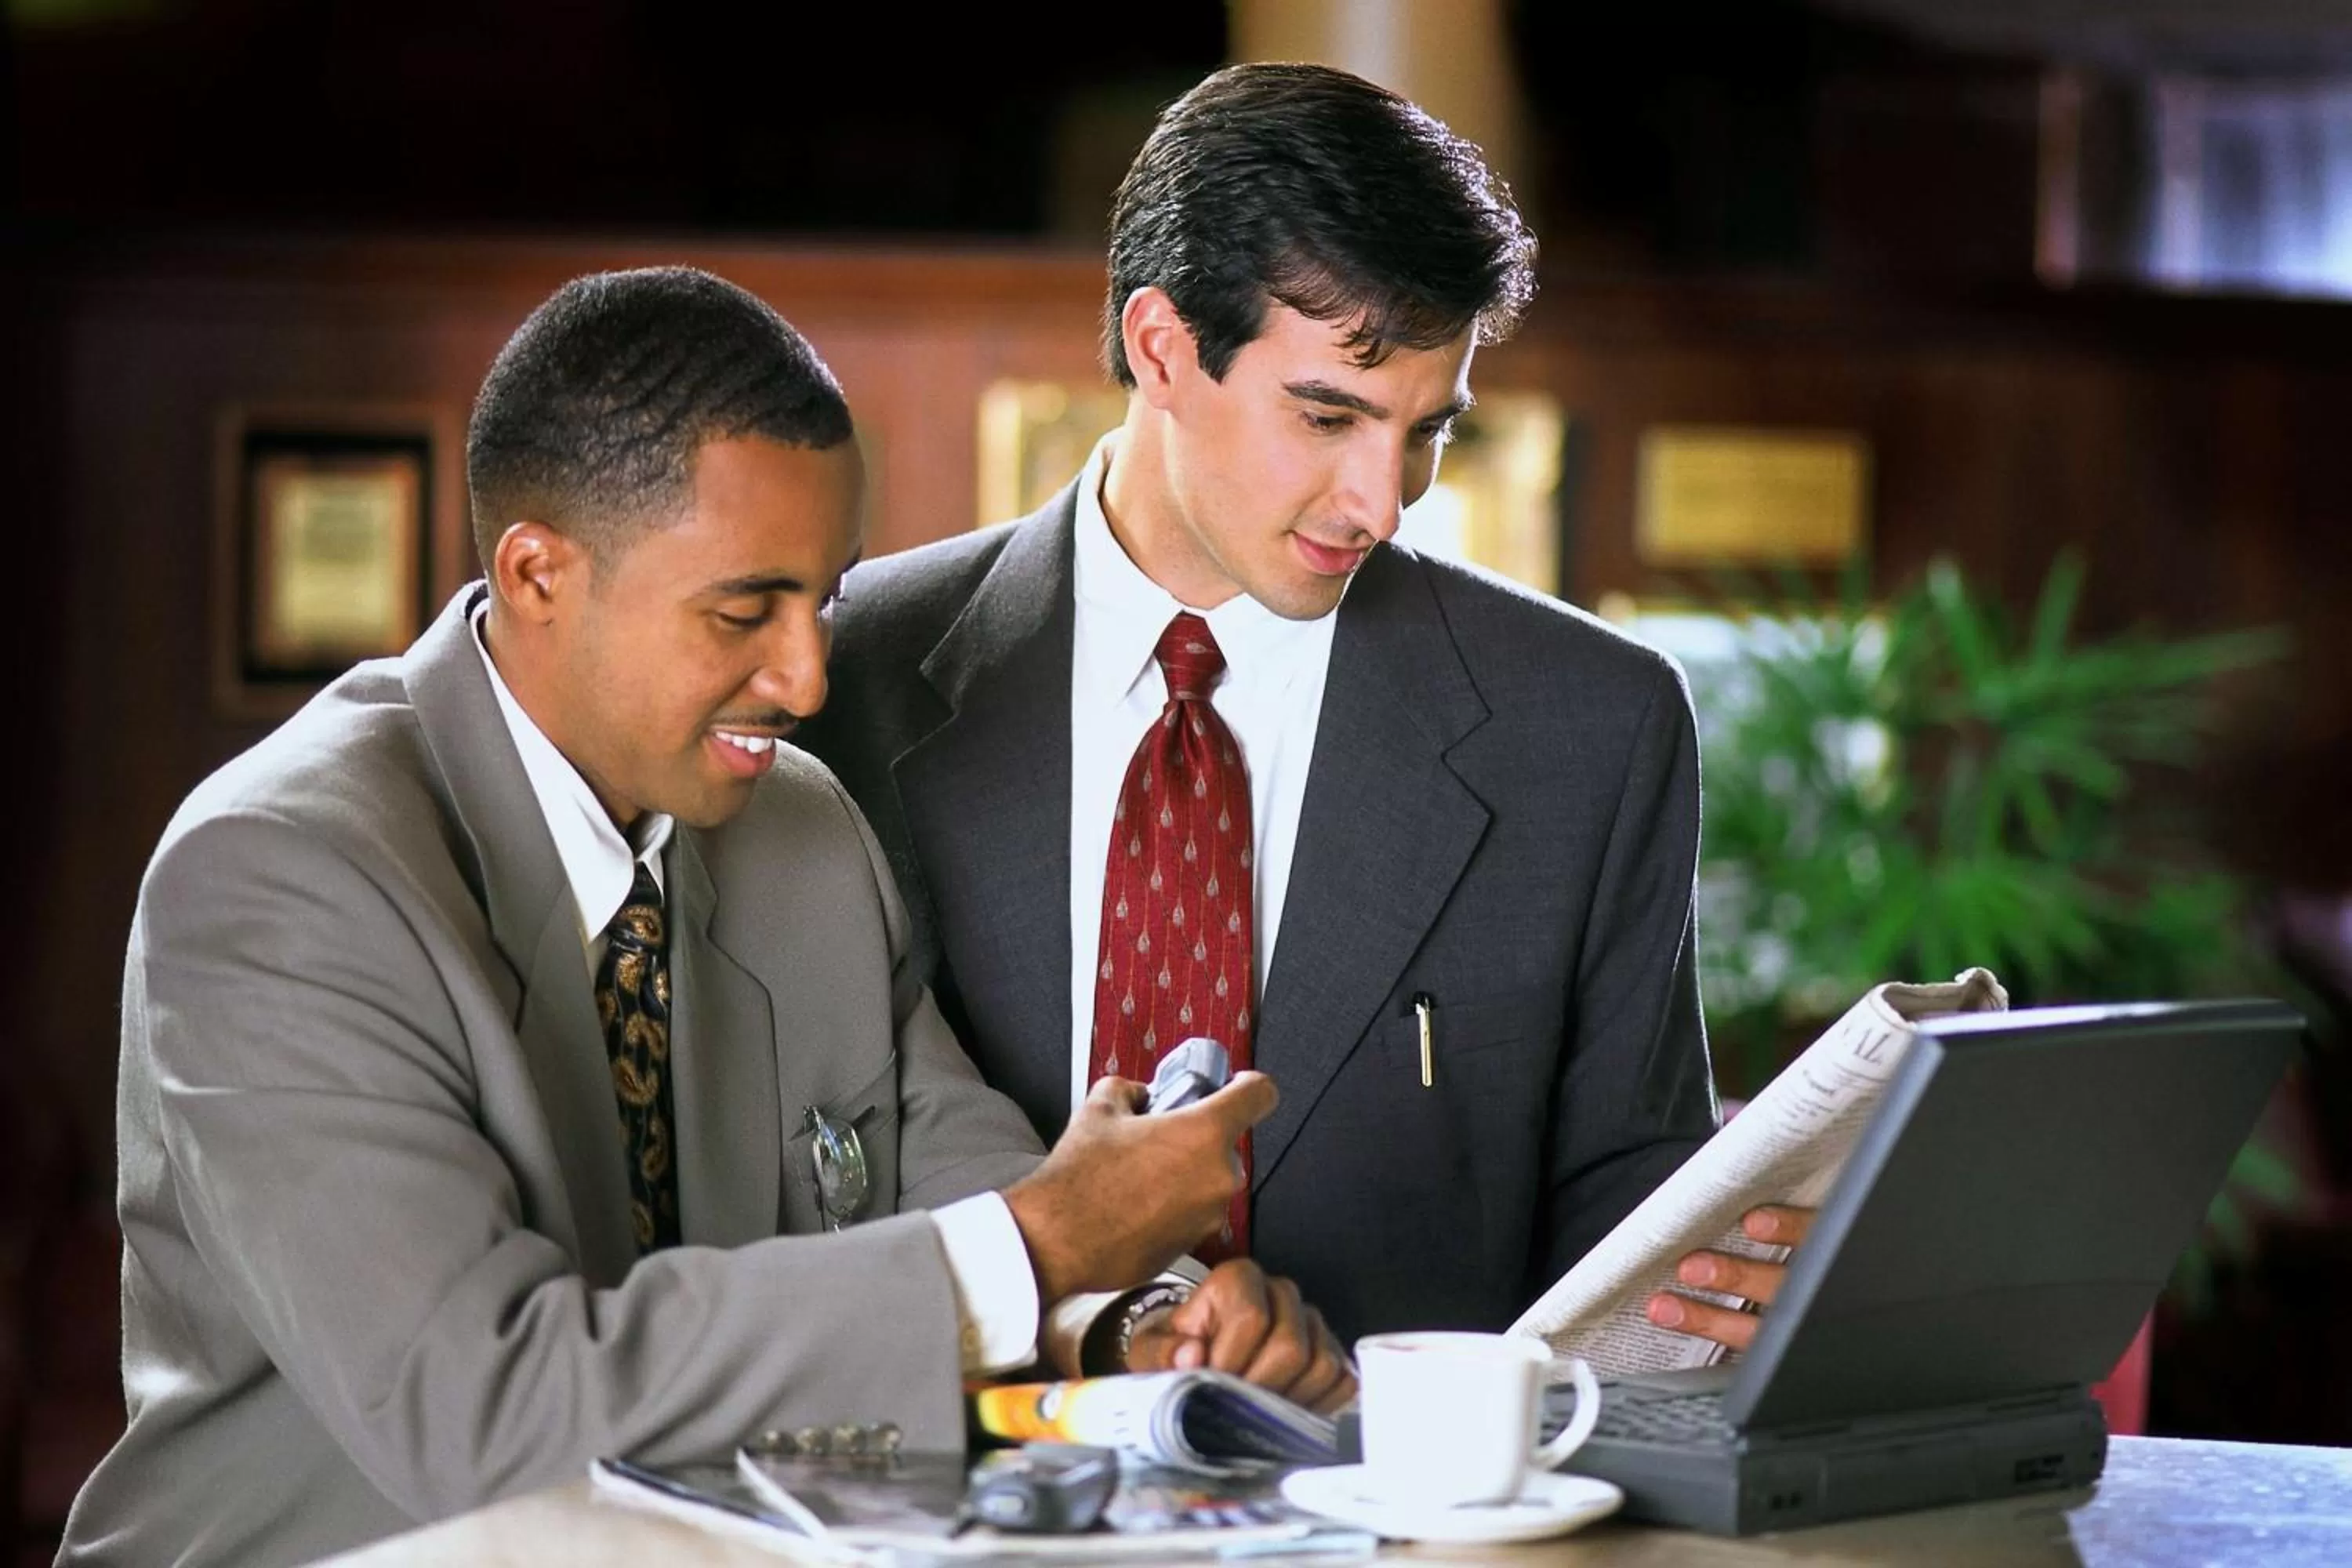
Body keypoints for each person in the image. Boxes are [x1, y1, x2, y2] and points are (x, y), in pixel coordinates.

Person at [61, 268, 1348, 1568]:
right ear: (537, 573)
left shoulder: (803, 831)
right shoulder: (279, 876)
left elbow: (970, 1185)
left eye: (827, 599)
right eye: (745, 611)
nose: (806, 676)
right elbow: (483, 1411)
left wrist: (1138, 1321)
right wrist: (1037, 1246)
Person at [798, 64, 1811, 1352]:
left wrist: (1746, 1270)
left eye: (1429, 431)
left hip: (1402, 1513)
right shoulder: (842, 683)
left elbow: (1625, 1201)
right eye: (1328, 416)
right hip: (950, 1504)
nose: (1384, 503)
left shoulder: (1595, 728)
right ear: (1162, 348)